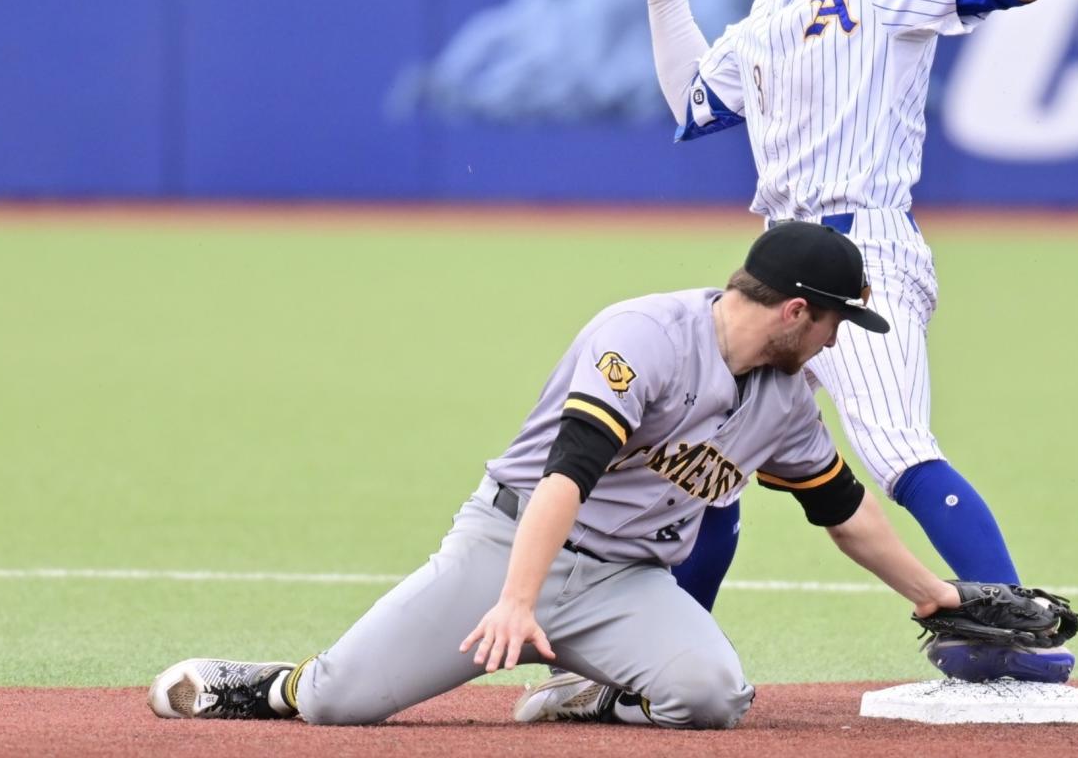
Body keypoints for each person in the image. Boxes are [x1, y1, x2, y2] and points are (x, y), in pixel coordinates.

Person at [517, 0, 1078, 717]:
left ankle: (1010, 639)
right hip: (774, 265)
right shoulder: (770, 7)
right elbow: (693, 104)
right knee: (710, 464)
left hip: (858, 253)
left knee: (895, 447)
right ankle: (655, 661)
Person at [147, 223, 964, 730]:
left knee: (712, 698)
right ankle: (265, 684)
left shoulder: (787, 400)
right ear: (795, 311)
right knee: (342, 703)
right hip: (511, 547)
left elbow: (842, 509)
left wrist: (935, 595)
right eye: (834, 321)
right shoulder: (644, 334)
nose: (836, 339)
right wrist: (516, 598)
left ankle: (588, 691)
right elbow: (566, 474)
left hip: (626, 580)